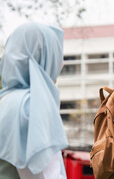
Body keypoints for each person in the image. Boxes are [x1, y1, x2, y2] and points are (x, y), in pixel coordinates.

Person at [0, 22, 68, 179]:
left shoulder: (5, 101)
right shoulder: (30, 107)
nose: (60, 64)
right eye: (56, 56)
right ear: (45, 58)